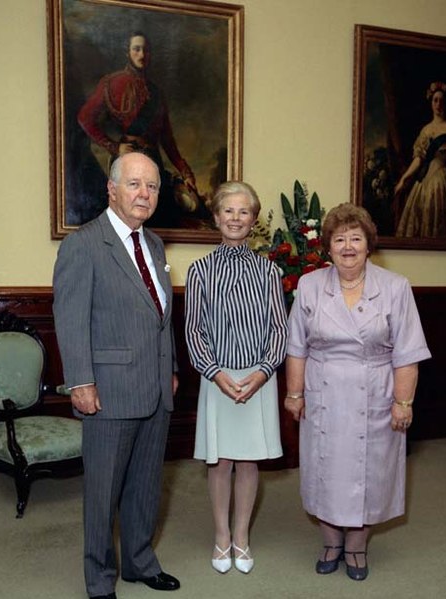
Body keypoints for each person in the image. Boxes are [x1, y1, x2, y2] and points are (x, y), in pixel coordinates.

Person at [53, 152, 180, 599]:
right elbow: (70, 320)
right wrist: (80, 382)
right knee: (102, 493)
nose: (144, 194)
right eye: (134, 184)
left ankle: (140, 563)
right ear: (111, 189)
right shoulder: (83, 244)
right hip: (107, 391)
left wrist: (172, 369)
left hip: (155, 388)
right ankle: (99, 579)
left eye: (152, 187)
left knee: (146, 487)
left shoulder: (156, 245)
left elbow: (161, 315)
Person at [284, 203, 431, 581]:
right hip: (324, 393)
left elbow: (408, 352)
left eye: (355, 238)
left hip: (376, 393)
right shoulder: (310, 285)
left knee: (369, 471)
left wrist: (403, 402)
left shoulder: (395, 287)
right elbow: (296, 347)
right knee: (325, 469)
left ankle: (357, 547)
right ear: (328, 247)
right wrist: (295, 394)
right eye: (339, 239)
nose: (347, 246)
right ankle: (331, 541)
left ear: (368, 245)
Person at [185, 181, 288, 575]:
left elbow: (280, 328)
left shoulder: (268, 271)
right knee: (221, 460)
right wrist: (214, 373)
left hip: (258, 378)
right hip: (218, 379)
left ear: (254, 220)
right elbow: (193, 330)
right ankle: (221, 536)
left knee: (248, 461)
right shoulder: (199, 271)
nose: (235, 218)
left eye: (244, 212)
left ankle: (242, 536)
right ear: (215, 216)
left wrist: (263, 372)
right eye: (228, 210)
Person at [77, 31, 200, 228]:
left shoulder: (156, 93)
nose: (142, 55)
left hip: (154, 162)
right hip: (126, 161)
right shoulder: (111, 83)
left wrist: (185, 172)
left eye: (146, 50)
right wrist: (115, 147)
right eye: (136, 49)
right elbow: (85, 117)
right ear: (128, 52)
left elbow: (167, 139)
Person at [394, 81, 446, 238]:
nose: (438, 104)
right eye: (435, 100)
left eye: (441, 101)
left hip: (441, 180)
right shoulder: (426, 130)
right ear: (431, 103)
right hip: (423, 180)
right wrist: (403, 180)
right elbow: (419, 159)